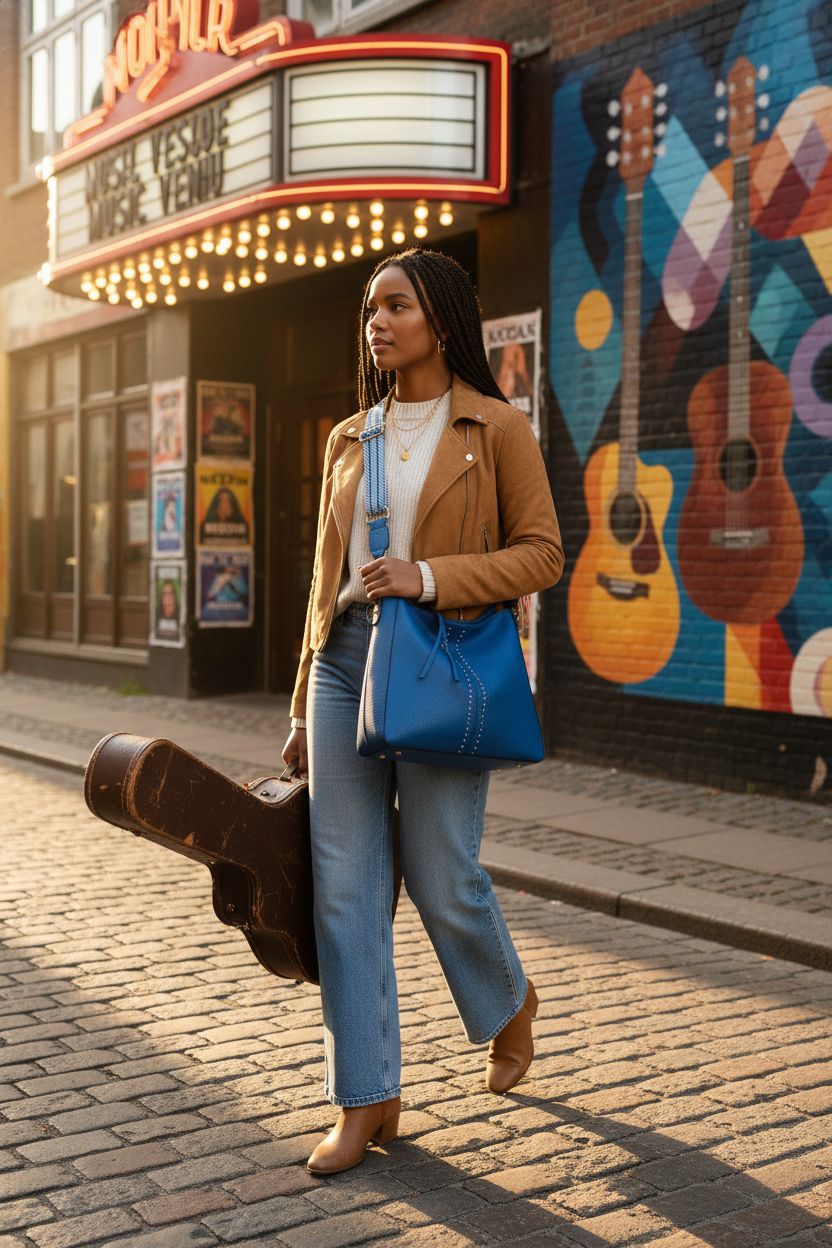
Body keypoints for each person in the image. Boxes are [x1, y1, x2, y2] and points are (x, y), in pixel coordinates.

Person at [282, 247, 564, 1177]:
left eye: (395, 306)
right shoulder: (347, 437)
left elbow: (542, 555)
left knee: (443, 875)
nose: (378, 323)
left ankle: (507, 1000)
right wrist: (298, 706)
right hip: (344, 667)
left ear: (439, 319)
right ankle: (366, 1098)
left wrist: (430, 577)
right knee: (346, 892)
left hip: (441, 665)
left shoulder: (498, 428)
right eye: (370, 310)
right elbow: (324, 587)